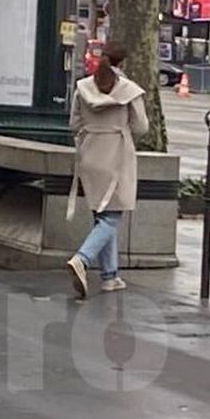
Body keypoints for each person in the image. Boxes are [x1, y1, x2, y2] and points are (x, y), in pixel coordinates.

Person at [66, 42, 150, 299]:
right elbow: (141, 127)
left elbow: (74, 122)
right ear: (122, 63)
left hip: (90, 153)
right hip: (116, 154)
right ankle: (82, 258)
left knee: (102, 215)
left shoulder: (83, 87)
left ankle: (110, 275)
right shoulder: (129, 91)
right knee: (112, 216)